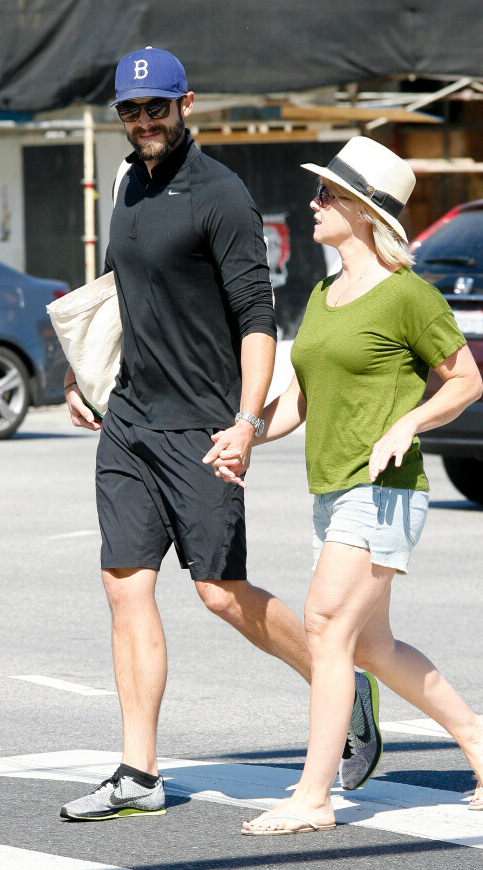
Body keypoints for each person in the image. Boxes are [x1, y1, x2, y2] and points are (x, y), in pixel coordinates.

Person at [59, 48, 379, 822]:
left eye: (156, 108)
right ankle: (138, 772)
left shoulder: (222, 195)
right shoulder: (129, 184)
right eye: (131, 111)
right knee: (123, 585)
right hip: (130, 420)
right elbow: (122, 291)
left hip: (202, 427)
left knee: (220, 593)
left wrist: (243, 421)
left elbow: (257, 319)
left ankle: (339, 676)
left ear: (187, 104)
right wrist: (83, 374)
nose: (143, 122)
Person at [206, 137, 483, 835]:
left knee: (325, 627)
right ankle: (480, 735)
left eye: (327, 194)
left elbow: (468, 381)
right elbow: (300, 397)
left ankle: (314, 796)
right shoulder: (327, 294)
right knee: (369, 646)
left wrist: (407, 423)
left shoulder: (408, 296)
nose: (313, 203)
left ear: (364, 211)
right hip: (333, 489)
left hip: (383, 489)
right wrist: (247, 433)